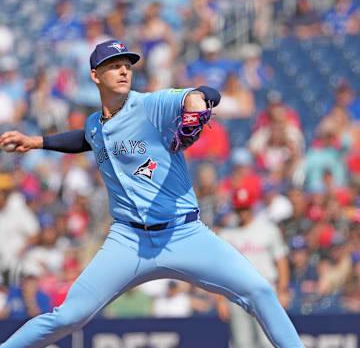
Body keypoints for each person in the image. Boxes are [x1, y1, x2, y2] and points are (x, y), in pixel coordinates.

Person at [0, 39, 304, 347]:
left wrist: (198, 100)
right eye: (114, 66)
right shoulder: (95, 124)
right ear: (95, 75)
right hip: (128, 241)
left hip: (184, 234)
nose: (123, 71)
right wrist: (38, 141)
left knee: (259, 290)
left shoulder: (149, 106)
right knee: (68, 317)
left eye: (127, 66)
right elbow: (86, 138)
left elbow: (204, 95)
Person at [216, 185, 291, 348]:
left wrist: (283, 290)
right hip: (237, 292)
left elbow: (281, 260)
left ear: (252, 207)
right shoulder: (226, 233)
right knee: (241, 342)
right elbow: (220, 270)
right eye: (239, 208)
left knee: (269, 341)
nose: (243, 212)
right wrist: (220, 300)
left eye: (245, 208)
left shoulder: (268, 229)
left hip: (265, 288)